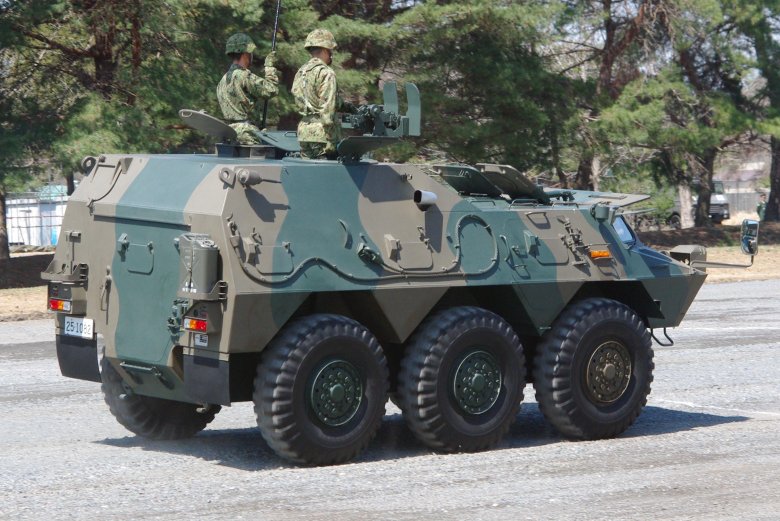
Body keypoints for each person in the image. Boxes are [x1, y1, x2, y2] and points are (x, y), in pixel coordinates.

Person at [292, 29, 355, 159]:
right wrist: (332, 140)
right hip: (322, 135)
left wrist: (346, 106)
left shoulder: (301, 72)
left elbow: (302, 98)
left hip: (304, 132)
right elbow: (327, 110)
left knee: (308, 174)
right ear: (326, 49)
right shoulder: (326, 73)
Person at [216, 33, 279, 145]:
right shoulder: (244, 76)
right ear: (246, 53)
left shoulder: (222, 80)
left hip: (229, 134)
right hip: (248, 135)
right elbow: (271, 89)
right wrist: (270, 67)